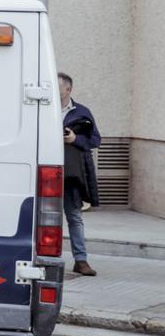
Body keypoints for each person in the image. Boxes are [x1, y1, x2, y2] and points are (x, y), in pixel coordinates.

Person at [59, 72, 101, 276]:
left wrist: (75, 139)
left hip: (70, 174)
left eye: (57, 87)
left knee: (74, 217)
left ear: (68, 89)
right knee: (40, 218)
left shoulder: (82, 112)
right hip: (42, 173)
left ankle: (81, 260)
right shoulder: (41, 108)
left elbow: (95, 140)